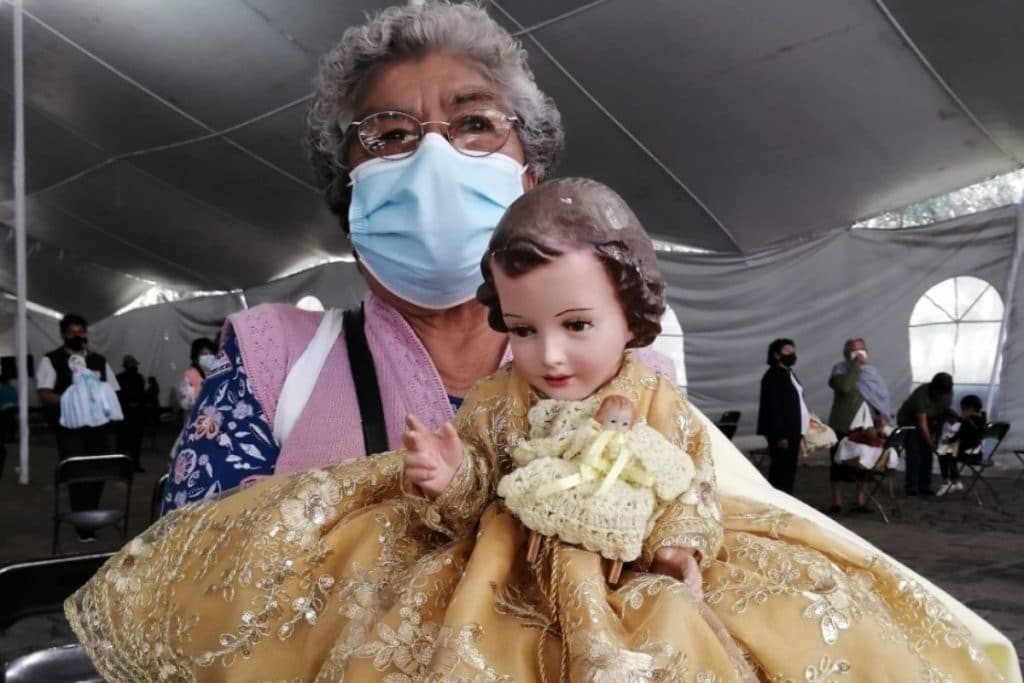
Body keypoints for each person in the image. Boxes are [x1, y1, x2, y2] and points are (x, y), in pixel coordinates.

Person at [66, 179, 1011, 682]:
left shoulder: (649, 398)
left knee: (696, 637)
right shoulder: (500, 396)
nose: (549, 354)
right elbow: (483, 468)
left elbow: (686, 481)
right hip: (506, 563)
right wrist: (449, 474)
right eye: (522, 329)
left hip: (625, 571)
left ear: (631, 318)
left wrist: (679, 548)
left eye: (576, 325)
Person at [159, 1, 580, 513]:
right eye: (391, 136)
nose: (434, 158)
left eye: (475, 122)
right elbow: (184, 568)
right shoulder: (270, 362)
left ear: (529, 181)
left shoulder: (620, 369)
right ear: (350, 192)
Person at [36, 313, 120, 540]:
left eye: (81, 332)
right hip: (70, 431)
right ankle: (84, 526)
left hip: (99, 429)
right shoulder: (51, 360)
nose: (78, 336)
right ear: (64, 335)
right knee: (78, 474)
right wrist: (72, 400)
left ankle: (90, 513)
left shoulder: (98, 361)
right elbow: (44, 393)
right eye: (72, 333)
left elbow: (112, 389)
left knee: (100, 471)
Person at [826, 337, 894, 514]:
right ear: (846, 353)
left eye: (862, 349)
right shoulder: (839, 370)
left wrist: (880, 416)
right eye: (854, 350)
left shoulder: (872, 372)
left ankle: (860, 500)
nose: (859, 353)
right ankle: (836, 501)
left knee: (865, 462)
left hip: (867, 423)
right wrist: (855, 366)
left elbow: (878, 396)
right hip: (843, 422)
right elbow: (845, 388)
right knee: (838, 463)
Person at [756, 338, 808, 494]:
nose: (791, 354)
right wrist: (780, 435)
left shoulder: (789, 374)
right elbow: (773, 407)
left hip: (794, 429)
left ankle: (787, 499)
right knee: (781, 470)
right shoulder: (773, 376)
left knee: (789, 469)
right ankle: (778, 500)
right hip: (782, 432)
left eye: (793, 350)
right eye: (787, 350)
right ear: (776, 354)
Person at [897, 372, 953, 496]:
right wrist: (930, 442)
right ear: (934, 388)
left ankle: (924, 486)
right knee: (914, 453)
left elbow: (942, 415)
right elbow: (921, 422)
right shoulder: (921, 394)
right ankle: (911, 487)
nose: (941, 396)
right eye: (939, 392)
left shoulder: (947, 393)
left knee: (927, 455)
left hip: (930, 420)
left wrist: (936, 437)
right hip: (909, 421)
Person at [936, 394, 986, 495]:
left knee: (942, 453)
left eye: (963, 408)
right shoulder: (982, 419)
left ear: (970, 408)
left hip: (968, 454)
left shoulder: (968, 421)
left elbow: (959, 436)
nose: (961, 411)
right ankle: (955, 481)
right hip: (978, 453)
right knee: (950, 452)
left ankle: (946, 481)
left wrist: (948, 441)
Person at [116, 355, 147, 472]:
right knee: (123, 441)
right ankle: (121, 465)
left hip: (134, 413)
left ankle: (133, 464)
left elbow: (141, 394)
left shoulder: (138, 378)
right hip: (126, 413)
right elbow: (118, 395)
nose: (134, 366)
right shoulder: (122, 378)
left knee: (135, 441)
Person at [178, 337, 217, 415]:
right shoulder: (190, 375)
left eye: (210, 354)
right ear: (195, 358)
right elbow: (185, 403)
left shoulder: (216, 373)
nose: (208, 357)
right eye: (204, 354)